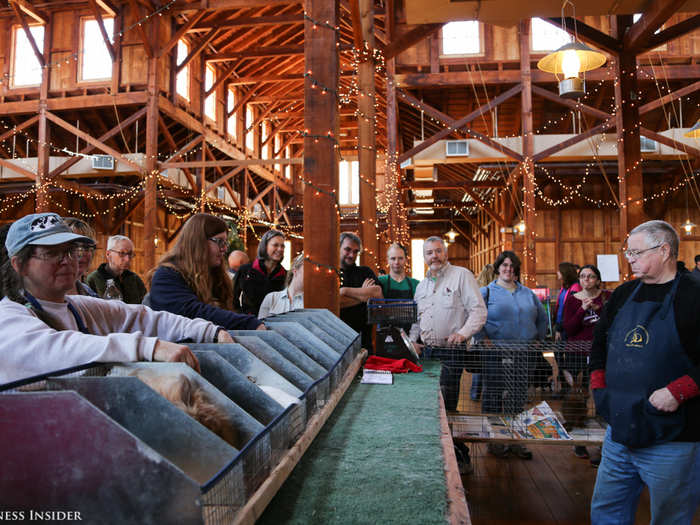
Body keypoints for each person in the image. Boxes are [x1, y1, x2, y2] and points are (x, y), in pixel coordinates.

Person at [0, 213, 234, 385]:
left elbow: (140, 317)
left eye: (70, 251)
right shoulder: (9, 319)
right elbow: (55, 350)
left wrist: (210, 331)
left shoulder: (78, 306)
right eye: (51, 253)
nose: (67, 261)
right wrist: (149, 347)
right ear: (19, 264)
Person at [590, 220, 700, 525]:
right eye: (628, 253)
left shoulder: (694, 295)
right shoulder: (625, 293)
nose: (630, 258)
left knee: (670, 518)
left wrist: (680, 391)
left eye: (636, 252)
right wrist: (600, 388)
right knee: (605, 512)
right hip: (619, 433)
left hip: (673, 438)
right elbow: (599, 343)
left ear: (664, 250)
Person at [409, 236, 487, 474]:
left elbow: (478, 311)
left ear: (445, 252)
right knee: (431, 404)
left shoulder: (461, 275)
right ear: (424, 257)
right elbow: (416, 319)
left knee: (448, 404)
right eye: (429, 253)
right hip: (428, 353)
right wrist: (412, 342)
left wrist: (462, 334)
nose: (434, 256)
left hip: (451, 352)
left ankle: (458, 456)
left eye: (438, 251)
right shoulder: (421, 287)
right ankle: (437, 453)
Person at [479, 251, 547, 460]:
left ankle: (516, 440)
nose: (508, 269)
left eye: (512, 266)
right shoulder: (486, 292)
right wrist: (483, 338)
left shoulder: (528, 294)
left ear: (516, 269)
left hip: (523, 353)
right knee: (493, 396)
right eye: (505, 265)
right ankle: (496, 441)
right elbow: (475, 316)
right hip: (495, 354)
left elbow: (542, 318)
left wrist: (538, 340)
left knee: (518, 398)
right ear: (498, 267)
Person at [147, 213, 263, 331]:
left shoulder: (214, 276)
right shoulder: (166, 277)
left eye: (225, 243)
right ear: (198, 242)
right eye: (219, 242)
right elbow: (194, 313)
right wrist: (249, 323)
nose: (224, 248)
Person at [561, 264, 610, 464]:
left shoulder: (607, 297)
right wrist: (582, 310)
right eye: (582, 276)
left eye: (590, 276)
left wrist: (600, 309)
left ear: (597, 279)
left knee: (601, 395)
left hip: (601, 353)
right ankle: (579, 442)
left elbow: (614, 321)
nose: (586, 280)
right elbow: (569, 328)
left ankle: (602, 444)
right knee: (577, 396)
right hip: (577, 351)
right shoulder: (572, 300)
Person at [338, 232, 383, 350]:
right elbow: (333, 303)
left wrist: (344, 291)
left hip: (364, 341)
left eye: (355, 251)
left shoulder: (365, 272)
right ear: (338, 248)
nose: (351, 255)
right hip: (337, 340)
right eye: (347, 249)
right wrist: (363, 294)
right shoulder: (331, 274)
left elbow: (377, 293)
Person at [232, 230, 286, 316]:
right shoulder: (245, 270)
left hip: (276, 324)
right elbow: (231, 297)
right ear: (265, 246)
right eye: (275, 245)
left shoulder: (285, 275)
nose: (280, 249)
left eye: (282, 246)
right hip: (249, 324)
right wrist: (241, 316)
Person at [86, 234, 147, 303]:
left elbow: (145, 305)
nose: (127, 259)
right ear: (108, 254)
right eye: (122, 253)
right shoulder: (93, 280)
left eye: (130, 254)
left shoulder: (135, 279)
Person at [471, 263, 496, 400]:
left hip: (478, 332)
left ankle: (474, 394)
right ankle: (488, 394)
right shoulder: (493, 290)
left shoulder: (477, 288)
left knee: (478, 366)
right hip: (489, 333)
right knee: (489, 367)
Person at [258, 253, 304, 319]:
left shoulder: (311, 303)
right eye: (306, 270)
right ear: (295, 271)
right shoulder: (271, 298)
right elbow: (260, 326)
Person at [63, 217, 98, 297]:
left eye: (86, 247)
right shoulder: (44, 295)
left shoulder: (90, 294)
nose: (80, 253)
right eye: (73, 247)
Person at [553, 262, 581, 341]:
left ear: (565, 272)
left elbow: (569, 311)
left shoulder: (575, 288)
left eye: (559, 270)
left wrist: (559, 329)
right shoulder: (564, 287)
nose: (557, 272)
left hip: (566, 327)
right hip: (560, 325)